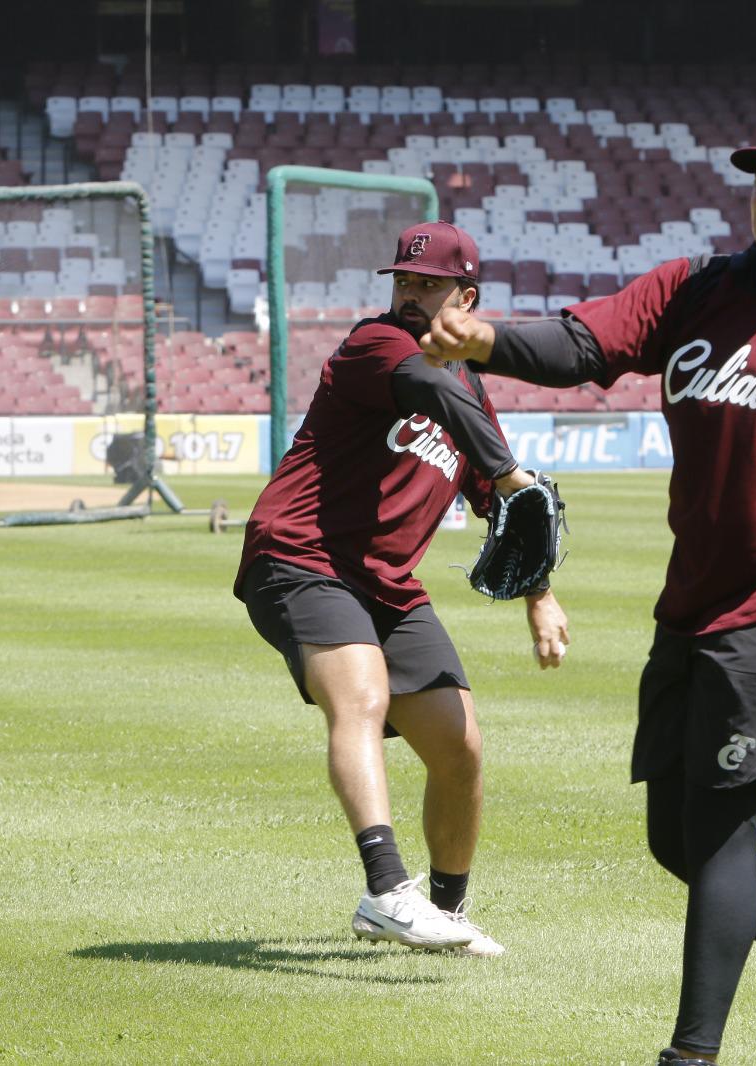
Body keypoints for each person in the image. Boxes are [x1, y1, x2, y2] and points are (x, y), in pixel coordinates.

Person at [421, 112, 756, 1063]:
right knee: (680, 840)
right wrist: (485, 338)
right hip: (696, 602)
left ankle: (688, 1055)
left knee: (727, 833)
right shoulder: (699, 290)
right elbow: (585, 345)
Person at [235, 221, 570, 957]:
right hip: (300, 554)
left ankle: (444, 909)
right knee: (361, 699)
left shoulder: (469, 394)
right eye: (403, 281)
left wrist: (540, 596)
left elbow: (506, 509)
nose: (411, 294)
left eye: (429, 285)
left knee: (460, 746)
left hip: (385, 583)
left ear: (467, 296)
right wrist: (511, 469)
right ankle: (388, 891)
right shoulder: (376, 344)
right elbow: (427, 386)